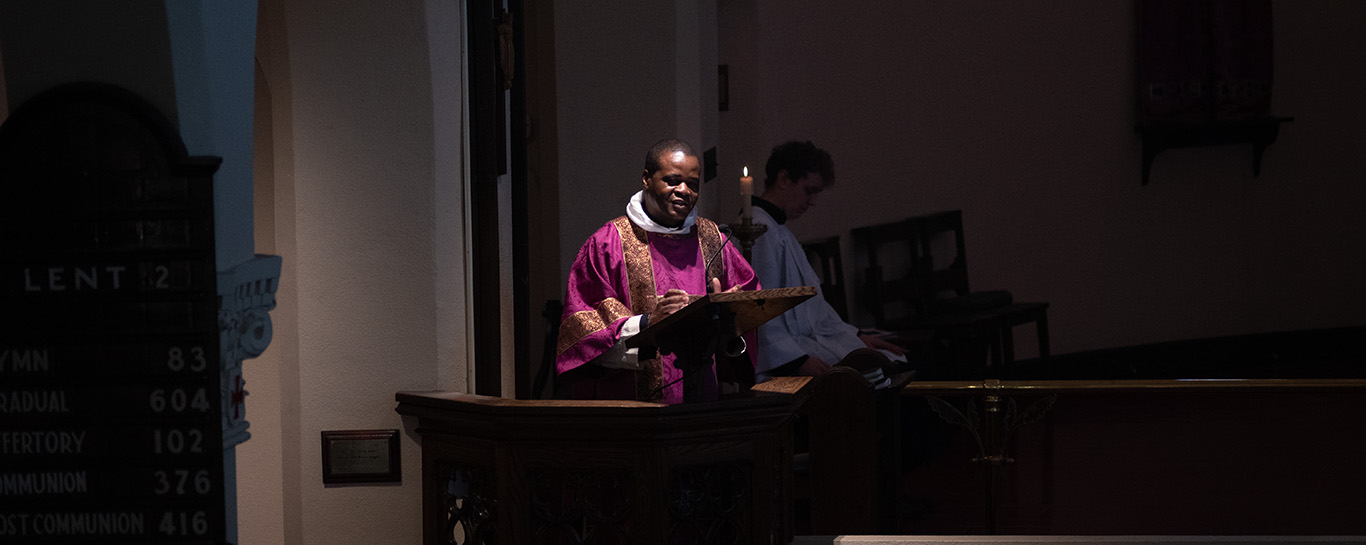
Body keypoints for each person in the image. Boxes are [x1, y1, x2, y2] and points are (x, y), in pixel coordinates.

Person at [555, 138, 761, 404]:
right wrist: (649, 323)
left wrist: (730, 314)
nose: (684, 190)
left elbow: (748, 312)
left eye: (693, 184)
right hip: (632, 411)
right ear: (646, 179)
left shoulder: (714, 241)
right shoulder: (608, 244)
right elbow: (581, 334)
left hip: (702, 408)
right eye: (673, 180)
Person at [747, 140, 906, 380]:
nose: (811, 201)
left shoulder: (779, 229)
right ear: (783, 179)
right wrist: (796, 361)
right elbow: (760, 308)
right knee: (876, 375)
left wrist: (857, 335)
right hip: (789, 355)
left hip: (805, 344)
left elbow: (813, 308)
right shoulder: (758, 231)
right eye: (809, 190)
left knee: (892, 363)